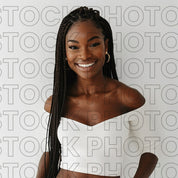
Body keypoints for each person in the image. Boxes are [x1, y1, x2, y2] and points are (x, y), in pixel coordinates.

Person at [36, 6, 158, 178]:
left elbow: (150, 150)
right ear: (64, 52)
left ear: (106, 46)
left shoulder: (128, 98)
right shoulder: (55, 102)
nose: (85, 55)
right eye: (73, 47)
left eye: (94, 44)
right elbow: (48, 152)